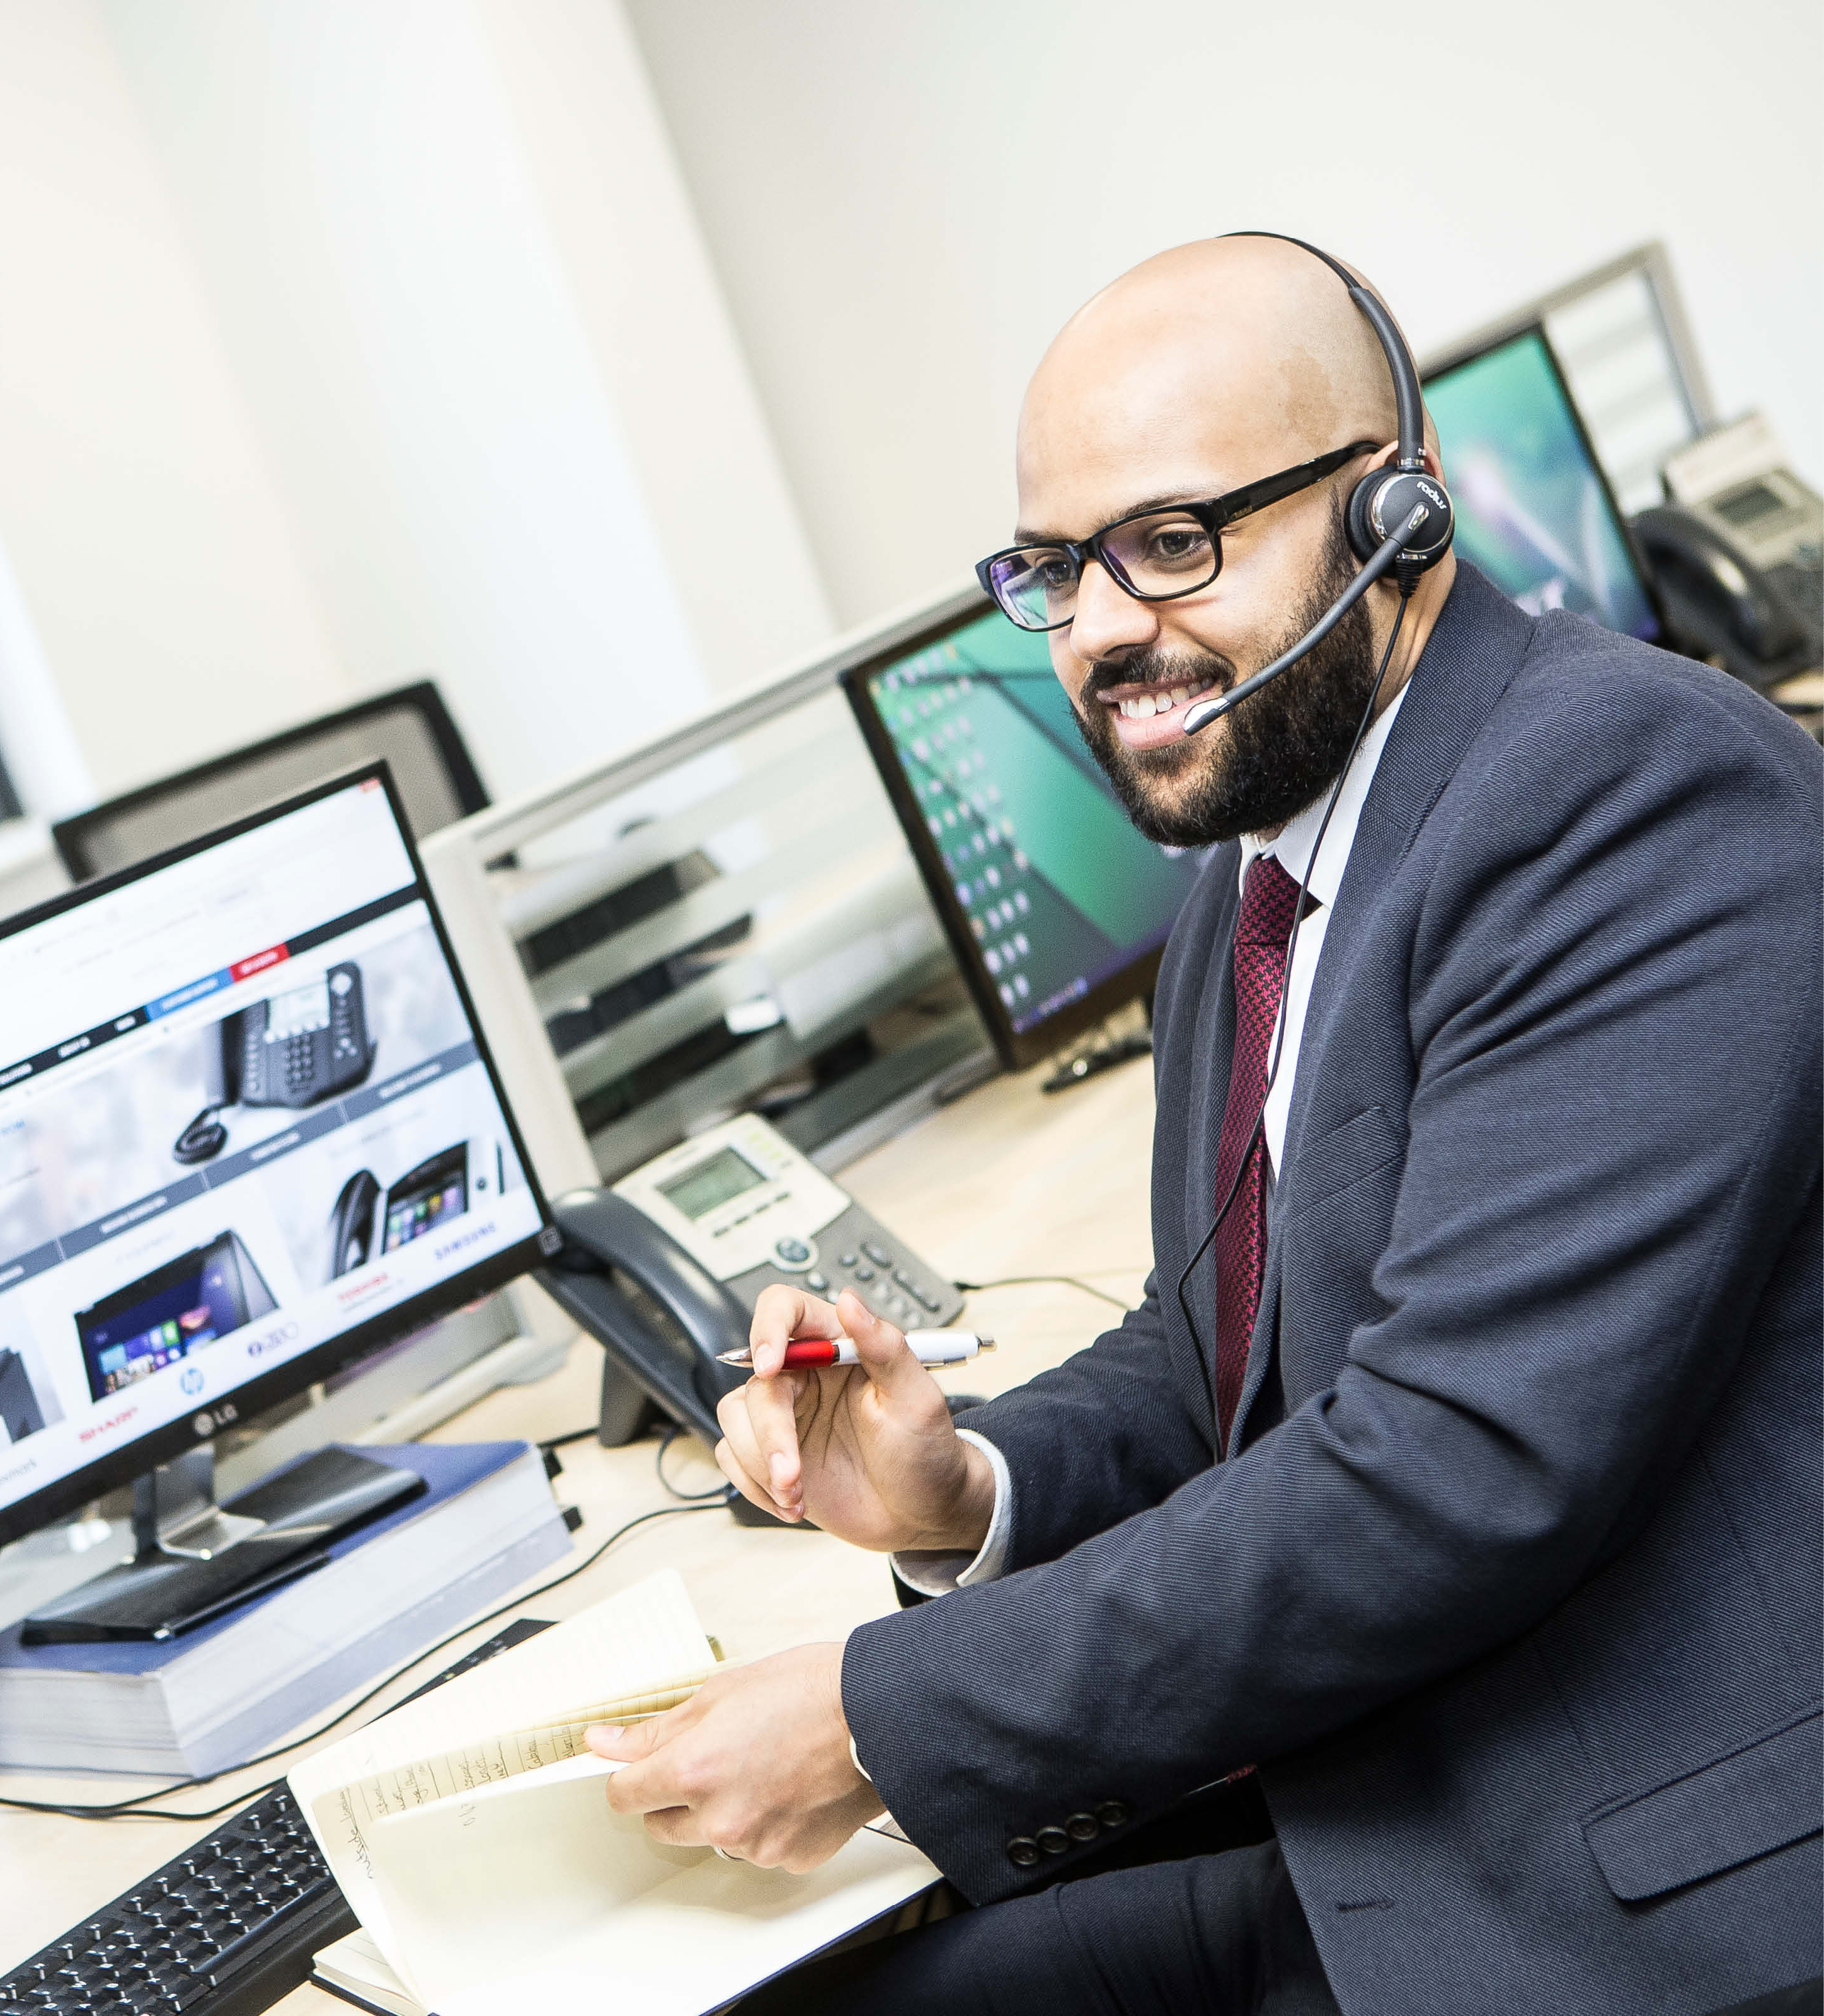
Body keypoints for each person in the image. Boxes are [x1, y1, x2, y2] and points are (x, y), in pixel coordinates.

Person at [586, 235, 1821, 2015]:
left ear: (1396, 517)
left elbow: (1443, 1471)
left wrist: (877, 1718)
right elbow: (1219, 1352)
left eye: (1172, 542)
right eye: (1050, 569)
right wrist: (963, 1489)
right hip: (1403, 1782)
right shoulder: (1260, 871)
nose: (1098, 629)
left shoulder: (1628, 794)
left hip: (1641, 1880)